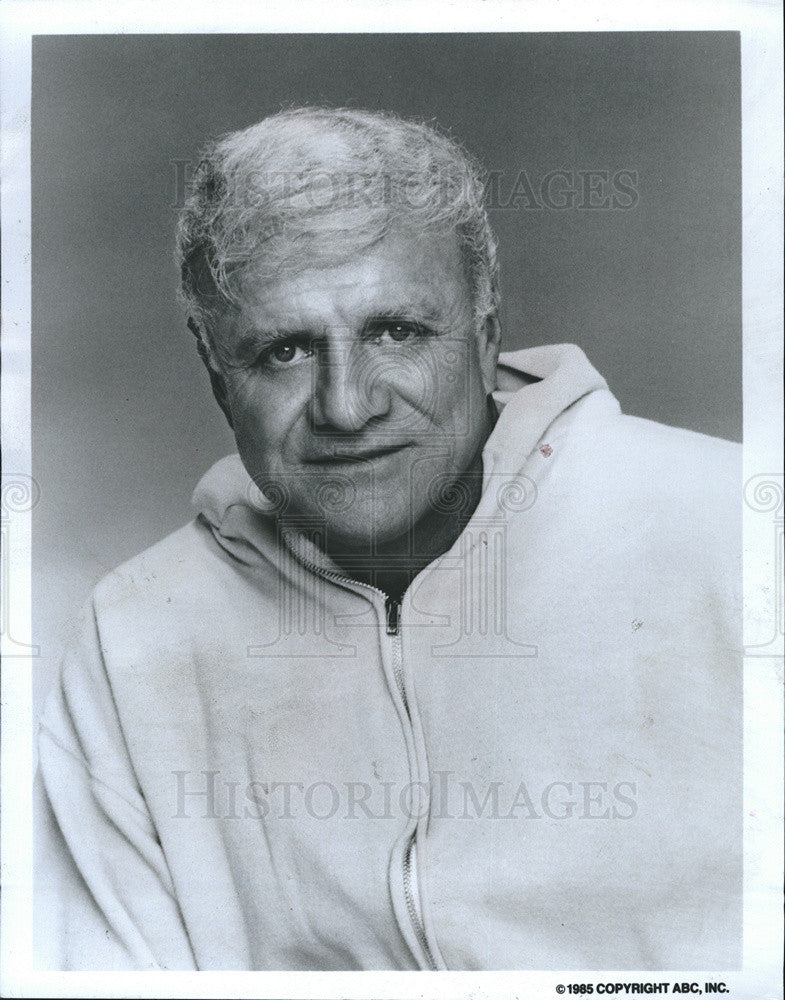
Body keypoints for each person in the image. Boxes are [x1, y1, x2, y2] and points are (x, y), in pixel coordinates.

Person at [36, 107, 741, 971]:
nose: (347, 405)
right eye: (285, 351)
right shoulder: (135, 634)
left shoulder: (732, 533)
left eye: (395, 332)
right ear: (215, 371)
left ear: (484, 336)